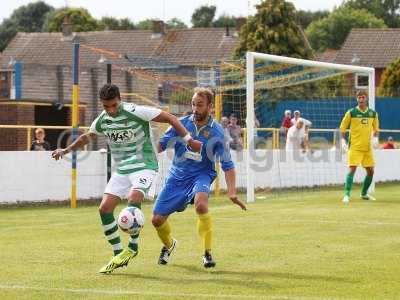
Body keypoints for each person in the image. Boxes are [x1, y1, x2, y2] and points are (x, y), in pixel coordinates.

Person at [51, 83, 201, 274]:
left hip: (145, 164)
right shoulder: (103, 120)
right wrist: (65, 150)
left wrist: (189, 140)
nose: (111, 110)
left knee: (134, 198)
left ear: (119, 100)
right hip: (122, 169)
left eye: (114, 105)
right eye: (106, 106)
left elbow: (170, 118)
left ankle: (133, 248)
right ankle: (118, 254)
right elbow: (87, 136)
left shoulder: (135, 111)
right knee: (104, 209)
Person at [152, 87, 247, 268]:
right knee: (156, 220)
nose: (195, 108)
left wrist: (232, 192)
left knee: (201, 204)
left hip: (202, 175)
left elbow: (227, 165)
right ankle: (169, 245)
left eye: (200, 105)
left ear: (210, 107)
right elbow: (162, 145)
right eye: (193, 104)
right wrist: (144, 154)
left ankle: (207, 253)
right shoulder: (180, 124)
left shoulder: (217, 132)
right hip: (177, 177)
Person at [340, 90, 379, 204]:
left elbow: (376, 129)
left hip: (367, 148)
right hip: (355, 147)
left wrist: (376, 138)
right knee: (352, 169)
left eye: (363, 97)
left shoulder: (373, 113)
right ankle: (346, 195)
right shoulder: (351, 112)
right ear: (357, 99)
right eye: (359, 97)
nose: (361, 99)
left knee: (371, 172)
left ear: (366, 98)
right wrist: (343, 141)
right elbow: (342, 128)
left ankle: (364, 193)